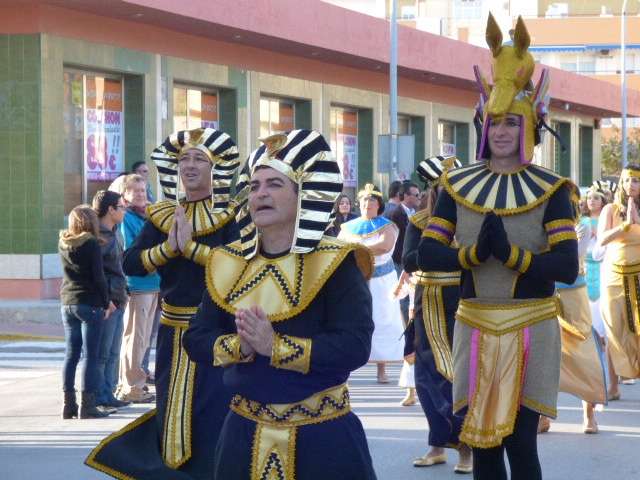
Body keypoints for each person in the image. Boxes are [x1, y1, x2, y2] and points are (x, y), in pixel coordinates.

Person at [418, 15, 578, 479]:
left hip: (533, 328)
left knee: (521, 444)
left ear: (530, 127)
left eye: (512, 122)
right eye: (495, 121)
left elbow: (567, 266)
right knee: (482, 444)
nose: (502, 131)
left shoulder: (552, 189)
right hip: (474, 326)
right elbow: (426, 254)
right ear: (483, 125)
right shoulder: (456, 185)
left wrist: (513, 257)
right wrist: (471, 255)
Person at [183, 129, 377, 480]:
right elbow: (196, 338)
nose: (260, 193)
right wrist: (240, 345)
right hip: (242, 436)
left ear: (303, 195)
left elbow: (355, 346)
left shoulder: (336, 262)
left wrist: (276, 347)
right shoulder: (228, 262)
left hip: (322, 438)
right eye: (254, 186)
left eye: (274, 184)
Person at [86, 128, 241, 480]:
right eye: (184, 159)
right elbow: (131, 262)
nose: (190, 165)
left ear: (215, 168)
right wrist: (168, 249)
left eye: (199, 159)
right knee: (171, 403)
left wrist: (192, 250)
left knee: (213, 405)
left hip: (217, 329)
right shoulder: (162, 215)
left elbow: (240, 267)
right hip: (172, 329)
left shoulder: (231, 214)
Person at [402, 155, 472, 473]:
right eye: (445, 189)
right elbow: (409, 260)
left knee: (460, 372)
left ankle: (466, 447)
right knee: (428, 374)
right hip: (427, 299)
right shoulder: (419, 221)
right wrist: (439, 251)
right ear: (434, 191)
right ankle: (437, 444)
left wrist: (442, 255)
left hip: (462, 298)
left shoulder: (471, 221)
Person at [538, 205, 607, 434]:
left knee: (582, 350)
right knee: (544, 353)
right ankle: (542, 415)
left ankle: (589, 415)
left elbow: (570, 260)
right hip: (545, 292)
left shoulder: (582, 225)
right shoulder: (539, 223)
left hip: (573, 291)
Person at [339, 184, 404, 383]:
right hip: (355, 279)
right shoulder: (348, 227)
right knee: (351, 320)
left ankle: (381, 368)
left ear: (379, 205)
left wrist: (357, 250)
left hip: (381, 281)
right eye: (364, 200)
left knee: (381, 321)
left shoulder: (387, 226)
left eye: (372, 200)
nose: (367, 203)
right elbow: (339, 247)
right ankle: (346, 367)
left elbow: (385, 246)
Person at [59, 205, 112, 419]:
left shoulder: (63, 242)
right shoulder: (91, 243)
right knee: (91, 355)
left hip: (67, 302)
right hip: (89, 303)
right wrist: (106, 302)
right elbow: (99, 277)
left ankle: (68, 405)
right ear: (91, 222)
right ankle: (88, 406)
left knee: (71, 354)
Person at [116, 174, 160, 403]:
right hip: (138, 284)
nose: (141, 195)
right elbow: (131, 250)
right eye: (136, 191)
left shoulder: (147, 216)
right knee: (135, 337)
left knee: (142, 339)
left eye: (143, 190)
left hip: (153, 284)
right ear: (125, 194)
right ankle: (131, 387)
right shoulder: (127, 219)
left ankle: (135, 383)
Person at [598, 165, 640, 401]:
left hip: (638, 277)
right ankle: (613, 386)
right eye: (627, 180)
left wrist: (637, 220)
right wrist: (623, 227)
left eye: (636, 181)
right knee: (613, 331)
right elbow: (602, 240)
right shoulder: (610, 209)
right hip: (613, 278)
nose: (630, 185)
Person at [92, 190, 130, 412]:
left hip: (119, 298)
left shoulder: (115, 234)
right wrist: (107, 300)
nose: (124, 211)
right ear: (110, 209)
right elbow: (97, 273)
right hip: (108, 302)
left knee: (114, 351)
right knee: (103, 353)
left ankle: (110, 392)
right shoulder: (99, 238)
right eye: (121, 207)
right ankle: (100, 395)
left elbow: (118, 269)